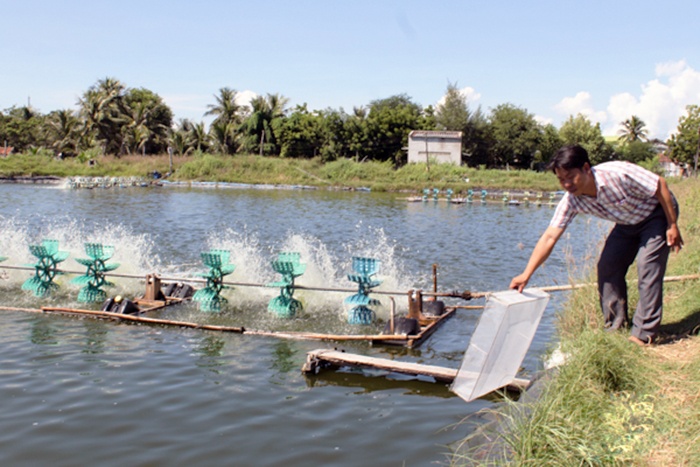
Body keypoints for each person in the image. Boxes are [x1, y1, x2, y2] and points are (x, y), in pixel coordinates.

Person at [509, 145, 683, 346]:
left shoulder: (618, 174)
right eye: (560, 179)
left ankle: (644, 334)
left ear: (585, 168)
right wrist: (526, 274)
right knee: (607, 267)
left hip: (656, 213)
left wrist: (672, 224)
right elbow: (549, 237)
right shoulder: (572, 201)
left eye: (570, 177)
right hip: (627, 222)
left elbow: (660, 184)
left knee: (647, 266)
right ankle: (615, 326)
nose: (566, 184)